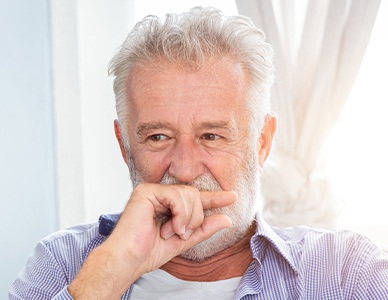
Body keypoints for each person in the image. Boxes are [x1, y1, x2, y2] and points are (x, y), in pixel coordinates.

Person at [10, 6, 388, 300]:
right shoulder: (63, 264)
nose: (186, 170)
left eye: (211, 136)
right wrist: (105, 277)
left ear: (262, 142)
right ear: (125, 146)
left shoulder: (344, 272)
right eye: (158, 137)